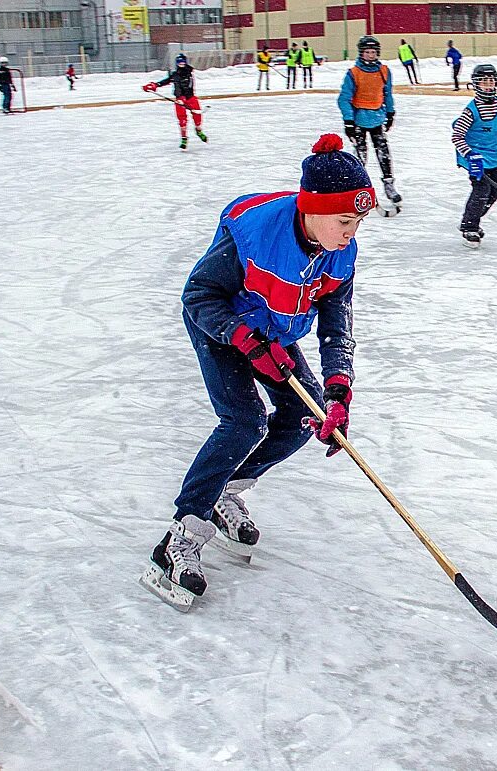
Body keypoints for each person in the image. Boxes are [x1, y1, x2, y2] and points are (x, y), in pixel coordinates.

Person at [139, 134, 376, 610]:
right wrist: (244, 339)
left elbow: (336, 322)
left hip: (273, 333)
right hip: (222, 326)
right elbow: (199, 294)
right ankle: (179, 538)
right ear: (313, 210)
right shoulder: (254, 234)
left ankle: (224, 491)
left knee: (304, 416)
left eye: (358, 223)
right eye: (344, 221)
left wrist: (338, 389)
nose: (351, 233)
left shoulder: (340, 252)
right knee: (243, 421)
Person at [450, 64, 497, 247]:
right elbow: (457, 136)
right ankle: (470, 226)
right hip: (476, 158)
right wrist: (470, 155)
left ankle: (470, 218)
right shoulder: (471, 110)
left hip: (494, 156)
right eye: (484, 81)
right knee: (481, 191)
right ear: (476, 84)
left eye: (491, 81)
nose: (488, 85)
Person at [339, 36, 401, 205]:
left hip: (377, 118)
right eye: (367, 52)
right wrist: (348, 121)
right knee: (360, 154)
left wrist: (390, 113)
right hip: (358, 120)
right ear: (361, 53)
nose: (371, 55)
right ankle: (356, 185)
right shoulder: (354, 73)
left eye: (373, 52)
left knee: (383, 152)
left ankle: (389, 183)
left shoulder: (384, 71)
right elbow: (344, 98)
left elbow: (387, 94)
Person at [143, 53, 207, 150]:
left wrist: (185, 97)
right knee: (182, 119)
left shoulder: (189, 72)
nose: (181, 64)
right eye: (179, 62)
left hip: (190, 97)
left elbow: (189, 84)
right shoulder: (175, 74)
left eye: (183, 62)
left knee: (197, 115)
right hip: (179, 99)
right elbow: (165, 81)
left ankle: (198, 130)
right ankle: (184, 138)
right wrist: (154, 85)